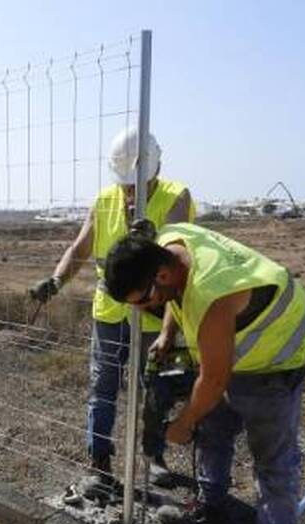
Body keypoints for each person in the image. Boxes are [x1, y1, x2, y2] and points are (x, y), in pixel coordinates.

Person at [104, 220, 305, 524]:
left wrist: (183, 424)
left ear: (162, 274)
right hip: (231, 339)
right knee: (214, 427)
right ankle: (209, 507)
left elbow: (215, 380)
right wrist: (168, 333)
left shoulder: (212, 298)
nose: (144, 309)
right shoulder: (171, 241)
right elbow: (173, 294)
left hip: (275, 356)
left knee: (272, 462)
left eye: (141, 301)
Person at [28, 126, 194, 503]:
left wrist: (154, 239)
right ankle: (99, 461)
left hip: (153, 311)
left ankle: (154, 456)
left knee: (153, 384)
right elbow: (80, 246)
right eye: (125, 183)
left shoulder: (175, 197)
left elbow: (182, 251)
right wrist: (56, 281)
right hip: (110, 313)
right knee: (102, 386)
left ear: (156, 167)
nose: (129, 189)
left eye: (135, 182)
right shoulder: (104, 200)